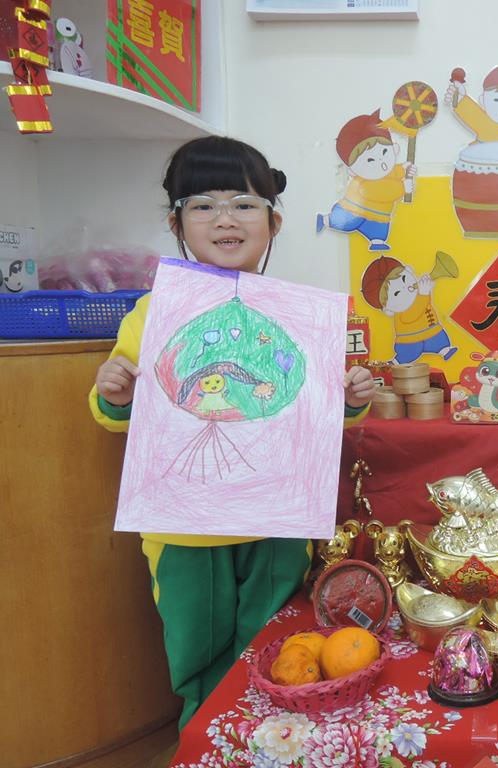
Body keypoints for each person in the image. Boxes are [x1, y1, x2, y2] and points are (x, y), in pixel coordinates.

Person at [89, 136, 377, 729]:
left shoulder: (302, 316)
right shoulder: (151, 314)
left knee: (273, 640)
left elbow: (315, 410)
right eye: (203, 205)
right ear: (176, 222)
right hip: (182, 524)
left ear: (273, 222)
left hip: (276, 519)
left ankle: (270, 739)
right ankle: (204, 738)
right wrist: (116, 394)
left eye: (244, 204)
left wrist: (349, 401)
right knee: (195, 644)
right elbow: (118, 412)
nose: (225, 219)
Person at [316, 109, 417, 251]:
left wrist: (404, 169)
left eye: (384, 152)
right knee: (344, 223)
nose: (381, 162)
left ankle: (377, 241)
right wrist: (403, 188)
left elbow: (391, 172)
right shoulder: (363, 183)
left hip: (379, 216)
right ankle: (325, 220)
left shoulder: (386, 171)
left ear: (394, 149)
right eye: (370, 160)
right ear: (352, 171)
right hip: (353, 212)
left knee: (379, 231)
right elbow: (382, 191)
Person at [360, 255, 457, 364]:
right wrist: (424, 293)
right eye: (396, 293)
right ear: (388, 309)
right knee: (409, 353)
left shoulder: (419, 294)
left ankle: (444, 349)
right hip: (410, 340)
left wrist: (426, 289)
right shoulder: (403, 310)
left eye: (404, 279)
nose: (404, 287)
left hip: (432, 331)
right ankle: (396, 361)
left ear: (409, 271)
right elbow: (413, 315)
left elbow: (425, 304)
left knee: (439, 340)